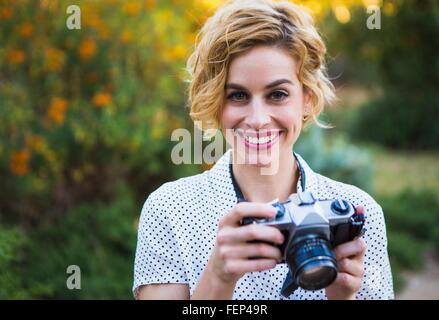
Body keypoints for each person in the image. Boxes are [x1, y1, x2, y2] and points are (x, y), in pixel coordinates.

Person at [133, 0, 394, 300]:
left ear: (307, 98)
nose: (257, 120)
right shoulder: (169, 211)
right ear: (216, 102)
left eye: (278, 94)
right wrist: (218, 278)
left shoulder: (360, 214)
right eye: (238, 95)